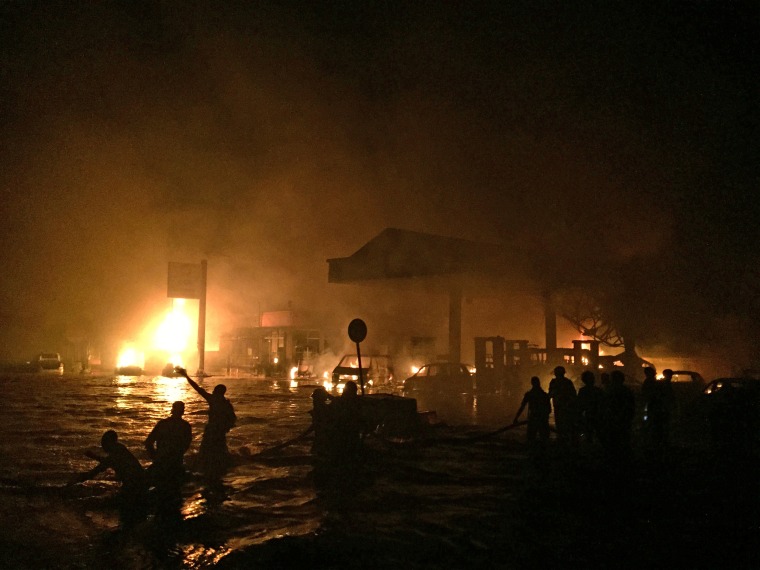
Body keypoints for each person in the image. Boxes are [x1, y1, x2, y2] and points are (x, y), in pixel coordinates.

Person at [73, 430, 148, 528]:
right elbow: (110, 462)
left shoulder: (117, 452)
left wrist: (77, 480)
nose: (103, 446)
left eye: (103, 443)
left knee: (127, 518)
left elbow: (101, 467)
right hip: (138, 483)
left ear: (109, 443)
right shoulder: (120, 449)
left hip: (134, 486)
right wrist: (95, 457)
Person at [177, 367, 236, 479]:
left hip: (212, 430)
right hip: (219, 431)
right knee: (219, 450)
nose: (213, 391)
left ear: (218, 392)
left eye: (214, 390)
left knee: (206, 450)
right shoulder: (227, 404)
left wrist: (186, 376)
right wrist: (226, 428)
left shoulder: (213, 399)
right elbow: (232, 419)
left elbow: (197, 388)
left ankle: (205, 467)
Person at [144, 401, 192, 513]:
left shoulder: (163, 424)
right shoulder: (185, 426)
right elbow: (186, 444)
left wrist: (154, 456)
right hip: (173, 462)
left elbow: (149, 442)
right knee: (173, 493)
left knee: (163, 491)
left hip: (164, 460)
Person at [513, 376, 551, 447]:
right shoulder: (544, 395)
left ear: (532, 384)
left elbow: (522, 407)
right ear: (539, 383)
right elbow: (549, 410)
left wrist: (516, 418)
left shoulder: (529, 394)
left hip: (533, 419)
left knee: (531, 439)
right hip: (542, 420)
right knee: (545, 440)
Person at [548, 366, 577, 444]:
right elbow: (573, 395)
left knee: (561, 425)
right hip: (565, 407)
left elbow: (550, 394)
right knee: (565, 424)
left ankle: (562, 441)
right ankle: (565, 441)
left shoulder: (554, 382)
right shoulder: (567, 382)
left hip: (561, 406)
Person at [576, 370, 604, 444]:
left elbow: (580, 405)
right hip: (597, 415)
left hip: (590, 415)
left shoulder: (583, 391)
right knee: (599, 434)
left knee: (589, 434)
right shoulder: (598, 390)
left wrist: (579, 416)